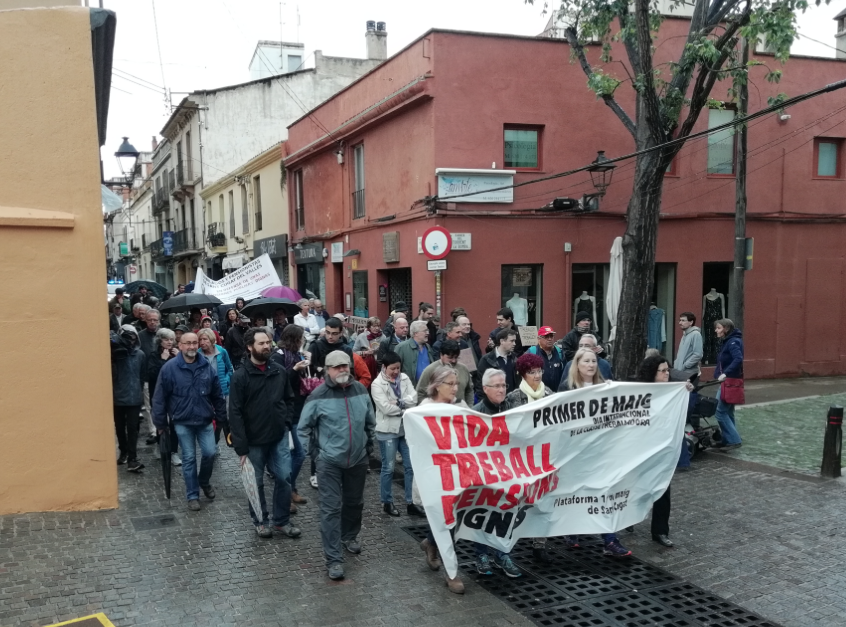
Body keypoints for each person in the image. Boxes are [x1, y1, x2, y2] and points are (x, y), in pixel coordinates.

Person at [298, 351, 376, 581]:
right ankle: (333, 559)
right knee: (330, 509)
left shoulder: (360, 391)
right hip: (329, 462)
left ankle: (349, 536)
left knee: (355, 502)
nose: (343, 370)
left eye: (346, 366)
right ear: (328, 370)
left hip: (358, 459)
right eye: (337, 367)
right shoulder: (317, 396)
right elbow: (303, 428)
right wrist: (315, 454)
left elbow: (370, 421)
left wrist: (368, 445)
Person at [228, 328, 301, 539]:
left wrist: (285, 421)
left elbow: (289, 399)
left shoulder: (279, 371)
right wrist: (240, 446)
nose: (267, 346)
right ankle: (260, 521)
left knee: (284, 477)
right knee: (256, 482)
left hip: (278, 435)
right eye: (261, 343)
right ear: (250, 347)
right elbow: (235, 412)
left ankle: (281, 521)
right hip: (253, 441)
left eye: (268, 342)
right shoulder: (240, 376)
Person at [558, 348, 631, 557]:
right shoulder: (567, 388)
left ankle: (610, 540)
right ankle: (571, 529)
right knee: (576, 492)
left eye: (593, 361)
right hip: (575, 451)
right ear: (577, 364)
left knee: (603, 493)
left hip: (599, 451)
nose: (591, 365)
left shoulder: (604, 387)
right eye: (586, 361)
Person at [152, 332, 228, 511]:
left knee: (210, 453)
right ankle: (192, 494)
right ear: (180, 345)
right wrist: (161, 424)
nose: (192, 346)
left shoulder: (206, 366)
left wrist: (222, 417)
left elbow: (217, 394)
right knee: (189, 458)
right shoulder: (169, 368)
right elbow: (159, 398)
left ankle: (204, 481)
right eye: (188, 343)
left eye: (195, 343)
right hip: (182, 421)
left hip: (204, 419)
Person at [417, 364, 468, 594]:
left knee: (451, 521)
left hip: (457, 474)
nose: (456, 388)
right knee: (446, 522)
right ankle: (451, 572)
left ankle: (430, 542)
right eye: (451, 384)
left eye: (457, 384)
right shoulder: (424, 410)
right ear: (436, 386)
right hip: (435, 476)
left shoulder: (460, 407)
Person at [635, 354, 695, 548]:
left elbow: (686, 410)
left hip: (662, 451)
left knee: (663, 491)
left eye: (667, 370)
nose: (666, 374)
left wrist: (687, 392)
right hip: (642, 450)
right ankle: (627, 520)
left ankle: (660, 530)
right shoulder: (640, 393)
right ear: (653, 373)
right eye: (662, 371)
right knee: (636, 489)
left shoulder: (672, 392)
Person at [470, 368, 522, 578]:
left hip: (508, 473)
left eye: (504, 385)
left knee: (506, 515)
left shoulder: (512, 409)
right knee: (483, 515)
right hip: (485, 474)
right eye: (497, 386)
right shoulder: (476, 413)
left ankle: (502, 554)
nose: (502, 390)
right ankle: (481, 554)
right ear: (485, 389)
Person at [505, 353, 556, 562]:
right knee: (516, 500)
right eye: (531, 372)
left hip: (543, 456)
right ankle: (509, 539)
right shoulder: (513, 397)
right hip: (520, 457)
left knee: (543, 500)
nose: (537, 375)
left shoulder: (550, 394)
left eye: (539, 371)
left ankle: (539, 544)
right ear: (523, 374)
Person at [370, 352, 421, 517]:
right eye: (393, 368)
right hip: (387, 431)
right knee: (388, 468)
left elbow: (414, 398)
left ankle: (410, 502)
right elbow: (385, 408)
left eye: (398, 368)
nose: (396, 372)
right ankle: (387, 501)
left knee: (410, 466)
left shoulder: (404, 378)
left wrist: (399, 402)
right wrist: (406, 406)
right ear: (384, 367)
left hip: (405, 430)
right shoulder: (377, 384)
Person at [269, 324, 311, 510]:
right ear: (295, 338)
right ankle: (285, 493)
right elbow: (278, 380)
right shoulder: (278, 356)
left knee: (299, 453)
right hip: (285, 411)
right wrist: (294, 369)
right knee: (296, 454)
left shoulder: (296, 354)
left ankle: (290, 489)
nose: (303, 341)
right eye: (301, 337)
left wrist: (308, 363)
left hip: (298, 406)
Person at [110, 325, 146, 472]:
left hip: (134, 397)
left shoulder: (140, 355)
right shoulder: (115, 354)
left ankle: (132, 457)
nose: (131, 341)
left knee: (132, 429)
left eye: (133, 338)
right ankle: (123, 451)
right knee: (119, 427)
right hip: (118, 397)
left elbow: (142, 375)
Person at [147, 328, 180, 465]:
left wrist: (180, 356)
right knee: (161, 423)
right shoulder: (154, 355)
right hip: (159, 394)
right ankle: (162, 448)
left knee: (175, 425)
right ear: (160, 341)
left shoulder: (177, 354)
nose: (169, 342)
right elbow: (153, 375)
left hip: (176, 395)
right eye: (166, 339)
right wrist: (163, 360)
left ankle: (173, 452)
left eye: (171, 339)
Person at [198, 328, 233, 449]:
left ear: (211, 340)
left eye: (205, 339)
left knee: (221, 418)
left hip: (222, 391)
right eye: (200, 340)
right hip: (205, 392)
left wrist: (227, 380)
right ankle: (209, 443)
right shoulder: (198, 354)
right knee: (208, 419)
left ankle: (215, 442)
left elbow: (229, 369)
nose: (202, 342)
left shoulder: (222, 352)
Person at [713, 318, 743, 450]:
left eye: (718, 328)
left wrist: (726, 373)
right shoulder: (729, 341)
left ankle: (734, 440)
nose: (716, 330)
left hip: (729, 381)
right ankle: (727, 439)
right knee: (728, 412)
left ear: (726, 329)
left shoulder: (733, 342)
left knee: (719, 412)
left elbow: (738, 358)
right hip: (728, 381)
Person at [416, 340, 473, 406]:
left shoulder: (464, 369)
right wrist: (430, 408)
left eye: (456, 357)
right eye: (450, 358)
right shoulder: (430, 370)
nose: (454, 360)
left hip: (459, 412)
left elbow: (469, 390)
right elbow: (420, 393)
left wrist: (469, 407)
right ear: (441, 355)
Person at [478, 328, 518, 394]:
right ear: (502, 341)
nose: (514, 344)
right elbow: (480, 385)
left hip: (512, 400)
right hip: (494, 400)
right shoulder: (486, 360)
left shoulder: (515, 359)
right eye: (512, 341)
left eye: (515, 341)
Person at [395, 320, 434, 386]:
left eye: (427, 330)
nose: (427, 333)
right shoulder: (402, 347)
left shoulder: (428, 347)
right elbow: (395, 369)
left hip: (428, 388)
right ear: (415, 333)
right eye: (425, 331)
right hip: (410, 389)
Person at [527, 326, 565, 391]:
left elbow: (564, 373)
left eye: (551, 336)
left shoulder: (559, 352)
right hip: (538, 394)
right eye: (546, 336)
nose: (550, 339)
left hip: (556, 394)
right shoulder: (532, 352)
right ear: (539, 338)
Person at [674, 312, 703, 384]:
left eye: (683, 320)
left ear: (691, 322)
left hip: (690, 373)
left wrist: (686, 365)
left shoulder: (696, 334)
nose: (680, 323)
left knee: (691, 394)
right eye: (680, 320)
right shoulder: (685, 334)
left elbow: (698, 354)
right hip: (681, 372)